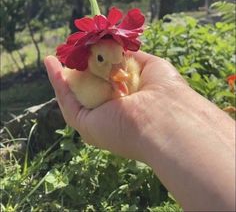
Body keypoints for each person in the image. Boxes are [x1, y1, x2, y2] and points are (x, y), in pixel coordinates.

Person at [44, 51, 235, 212]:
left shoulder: (126, 72)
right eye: (101, 60)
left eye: (120, 56)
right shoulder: (88, 83)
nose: (120, 70)